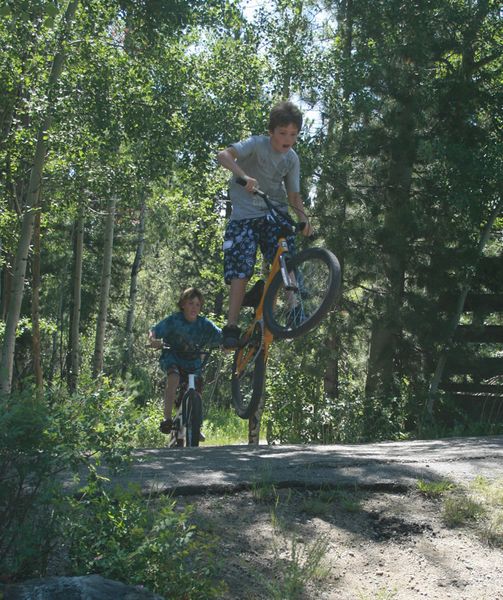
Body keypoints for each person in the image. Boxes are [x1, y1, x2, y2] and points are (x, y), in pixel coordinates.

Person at [217, 100, 313, 349]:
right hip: (244, 215)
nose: (287, 139)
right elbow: (223, 155)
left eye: (293, 134)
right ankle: (231, 326)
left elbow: (293, 195)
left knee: (287, 252)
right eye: (282, 133)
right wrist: (243, 176)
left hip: (273, 211)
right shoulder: (256, 144)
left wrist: (303, 219)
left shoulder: (292, 159)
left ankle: (294, 309)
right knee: (241, 266)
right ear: (271, 132)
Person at [148, 287, 222, 434]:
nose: (194, 307)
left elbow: (220, 335)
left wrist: (227, 343)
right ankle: (167, 419)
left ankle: (196, 424)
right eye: (190, 303)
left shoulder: (204, 324)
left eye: (197, 304)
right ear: (183, 304)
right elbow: (154, 330)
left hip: (193, 363)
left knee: (198, 385)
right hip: (172, 358)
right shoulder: (174, 320)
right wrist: (152, 339)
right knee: (173, 378)